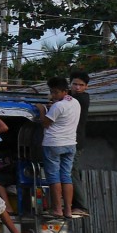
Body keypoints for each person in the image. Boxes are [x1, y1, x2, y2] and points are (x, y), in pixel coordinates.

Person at [38, 76, 81, 218]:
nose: (53, 95)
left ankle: (57, 209)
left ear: (65, 91)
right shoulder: (75, 102)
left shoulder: (57, 106)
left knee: (54, 177)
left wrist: (42, 109)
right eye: (52, 92)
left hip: (54, 144)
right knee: (66, 177)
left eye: (56, 92)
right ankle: (68, 210)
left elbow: (45, 123)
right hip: (70, 144)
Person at [69, 72, 91, 217]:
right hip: (71, 141)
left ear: (86, 87)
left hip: (76, 142)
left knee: (72, 172)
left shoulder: (82, 98)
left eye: (81, 85)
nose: (77, 87)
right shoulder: (70, 97)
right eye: (75, 84)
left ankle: (81, 206)